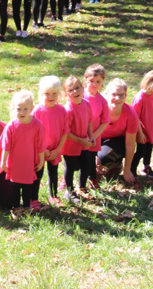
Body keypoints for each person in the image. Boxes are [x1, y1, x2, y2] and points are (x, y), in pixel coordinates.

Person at [0, 90, 45, 211]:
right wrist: (3, 162)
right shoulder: (11, 125)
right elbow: (6, 146)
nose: (22, 112)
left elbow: (41, 146)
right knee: (15, 186)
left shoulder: (37, 125)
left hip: (29, 162)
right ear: (14, 109)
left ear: (32, 108)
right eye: (19, 109)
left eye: (25, 109)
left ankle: (26, 207)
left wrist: (41, 161)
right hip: (15, 163)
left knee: (27, 186)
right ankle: (15, 208)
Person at [32, 76, 68, 206]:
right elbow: (33, 132)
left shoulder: (62, 110)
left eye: (54, 94)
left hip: (55, 149)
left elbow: (65, 131)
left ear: (59, 94)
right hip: (40, 149)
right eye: (47, 94)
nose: (51, 97)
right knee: (38, 173)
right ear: (41, 93)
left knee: (53, 172)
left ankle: (54, 195)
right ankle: (33, 198)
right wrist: (43, 149)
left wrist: (58, 149)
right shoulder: (37, 111)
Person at [98, 78, 141, 182]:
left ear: (125, 96)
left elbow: (130, 144)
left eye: (121, 95)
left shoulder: (130, 114)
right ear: (107, 94)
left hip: (119, 142)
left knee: (104, 157)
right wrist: (94, 156)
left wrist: (127, 170)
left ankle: (116, 166)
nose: (117, 98)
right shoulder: (99, 109)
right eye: (114, 94)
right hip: (99, 139)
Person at [61, 75, 94, 204]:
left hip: (84, 142)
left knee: (86, 165)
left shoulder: (86, 104)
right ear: (66, 94)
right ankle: (69, 191)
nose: (75, 92)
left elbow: (90, 121)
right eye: (71, 90)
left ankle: (82, 187)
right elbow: (66, 132)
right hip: (71, 144)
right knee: (70, 167)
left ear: (83, 88)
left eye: (77, 88)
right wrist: (81, 140)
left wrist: (91, 136)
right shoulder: (68, 110)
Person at [82, 63, 109, 190]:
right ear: (85, 81)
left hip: (94, 135)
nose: (94, 84)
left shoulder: (102, 101)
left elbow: (105, 122)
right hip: (79, 134)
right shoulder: (80, 96)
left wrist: (93, 136)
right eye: (91, 81)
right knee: (75, 158)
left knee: (91, 157)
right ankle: (67, 180)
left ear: (103, 82)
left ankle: (92, 177)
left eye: (98, 81)